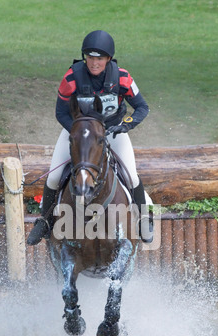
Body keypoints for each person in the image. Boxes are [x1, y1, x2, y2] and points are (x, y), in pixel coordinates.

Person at [27, 30, 152, 245]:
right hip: (79, 134)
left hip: (112, 132)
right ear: (85, 58)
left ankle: (142, 220)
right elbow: (61, 113)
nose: (94, 63)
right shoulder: (71, 77)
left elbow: (142, 107)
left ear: (108, 59)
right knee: (54, 177)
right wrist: (77, 133)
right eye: (90, 58)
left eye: (100, 58)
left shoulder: (122, 77)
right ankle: (45, 221)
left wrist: (127, 125)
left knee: (131, 175)